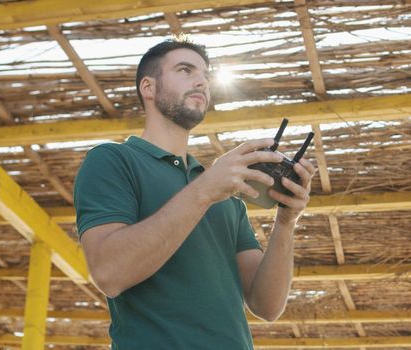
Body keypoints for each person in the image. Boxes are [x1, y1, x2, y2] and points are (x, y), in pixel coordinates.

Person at [73, 38, 315, 349]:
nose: (201, 80)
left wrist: (286, 221)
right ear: (148, 87)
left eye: (205, 75)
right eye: (185, 70)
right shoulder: (113, 160)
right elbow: (109, 273)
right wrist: (205, 190)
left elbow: (266, 306)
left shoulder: (226, 193)